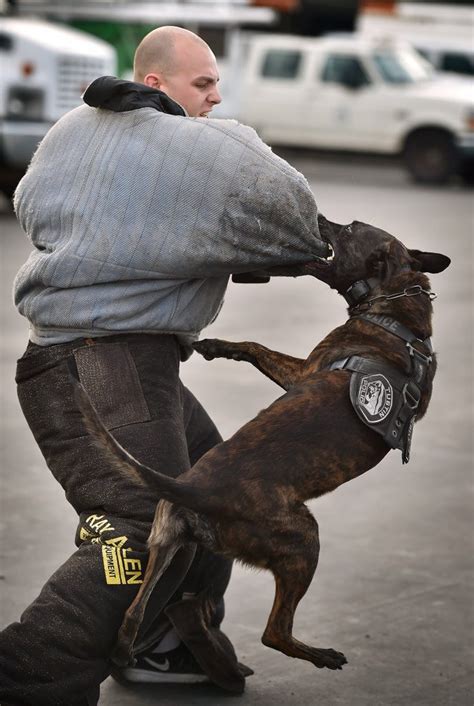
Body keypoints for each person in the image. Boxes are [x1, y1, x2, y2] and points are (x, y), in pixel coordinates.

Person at [0, 26, 330, 706]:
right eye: (203, 84)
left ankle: (166, 640)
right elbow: (293, 218)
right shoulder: (172, 143)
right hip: (99, 362)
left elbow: (38, 207)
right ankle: (25, 675)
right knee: (144, 523)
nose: (216, 96)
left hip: (117, 360)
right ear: (156, 86)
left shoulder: (76, 131)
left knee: (214, 487)